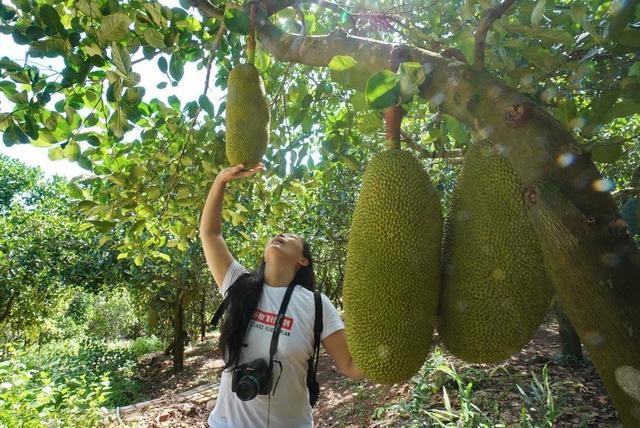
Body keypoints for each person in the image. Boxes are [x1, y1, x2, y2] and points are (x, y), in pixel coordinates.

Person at [199, 163, 364, 428]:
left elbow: (351, 365)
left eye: (290, 236)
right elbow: (210, 234)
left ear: (303, 260)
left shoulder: (316, 305)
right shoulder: (239, 285)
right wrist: (221, 180)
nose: (280, 235)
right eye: (276, 235)